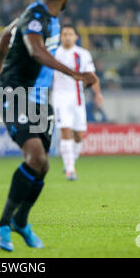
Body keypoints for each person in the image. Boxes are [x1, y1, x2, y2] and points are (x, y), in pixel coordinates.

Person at [0, 0, 97, 252]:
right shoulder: (35, 16)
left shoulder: (50, 19)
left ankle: (21, 221)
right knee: (35, 156)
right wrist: (75, 74)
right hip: (16, 92)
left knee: (43, 164)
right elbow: (35, 51)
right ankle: (1, 226)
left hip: (38, 99)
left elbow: (4, 35)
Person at [51, 24, 103, 181]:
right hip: (60, 97)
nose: (66, 37)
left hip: (77, 97)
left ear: (76, 37)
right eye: (64, 34)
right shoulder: (54, 53)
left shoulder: (83, 54)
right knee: (65, 131)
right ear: (60, 37)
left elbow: (91, 75)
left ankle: (70, 160)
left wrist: (98, 94)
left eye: (70, 34)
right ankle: (70, 169)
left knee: (79, 135)